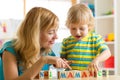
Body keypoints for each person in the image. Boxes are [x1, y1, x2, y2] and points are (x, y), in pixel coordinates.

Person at [0, 7, 71, 80]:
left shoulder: (47, 51)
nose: (56, 37)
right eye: (51, 32)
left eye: (56, 31)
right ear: (35, 33)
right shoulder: (10, 50)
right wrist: (43, 60)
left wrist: (59, 63)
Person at [60, 3, 111, 75]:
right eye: (73, 28)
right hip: (71, 76)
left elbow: (107, 52)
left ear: (89, 26)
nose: (77, 32)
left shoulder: (95, 39)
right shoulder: (66, 42)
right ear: (69, 26)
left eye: (82, 28)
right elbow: (62, 59)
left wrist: (96, 60)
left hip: (89, 76)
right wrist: (63, 62)